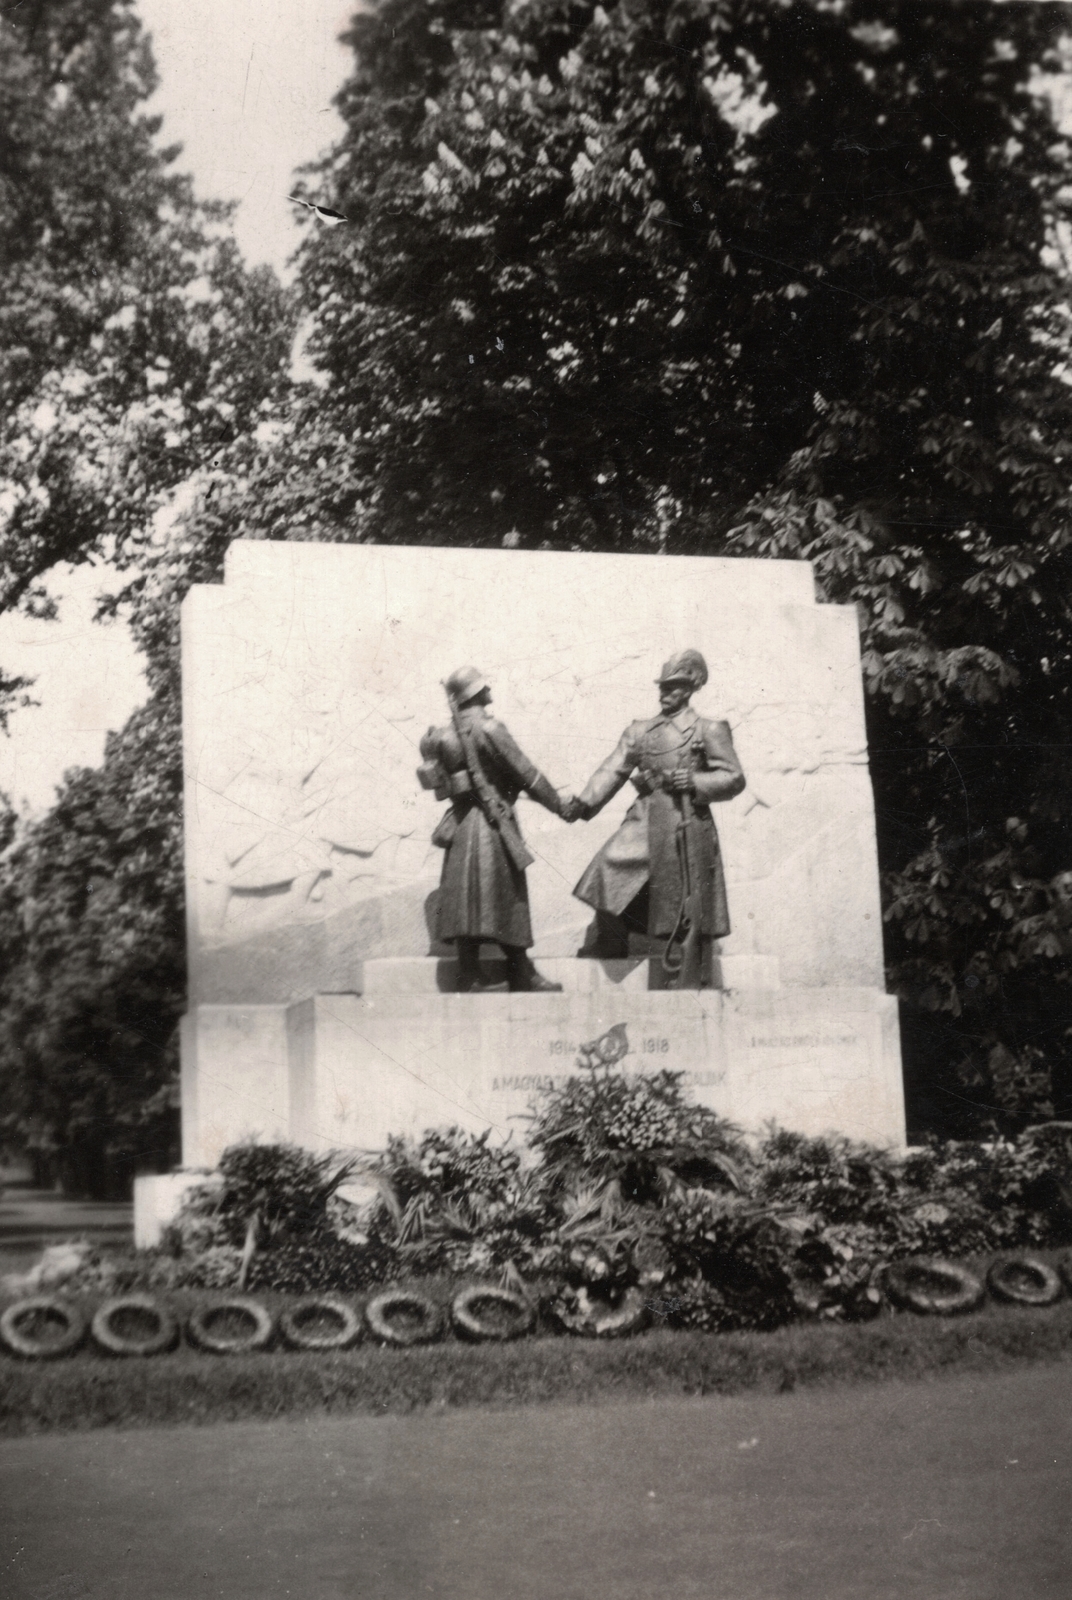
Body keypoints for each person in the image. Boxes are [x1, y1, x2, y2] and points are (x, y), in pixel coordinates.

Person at [563, 649, 745, 987]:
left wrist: (695, 781)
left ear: (690, 689)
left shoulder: (709, 729)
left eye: (673, 687)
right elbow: (612, 769)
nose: (665, 693)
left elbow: (733, 777)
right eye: (662, 686)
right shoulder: (641, 730)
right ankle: (611, 938)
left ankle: (679, 965)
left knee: (679, 895)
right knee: (607, 865)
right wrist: (583, 803)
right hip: (645, 817)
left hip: (683, 822)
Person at [418, 666, 570, 992]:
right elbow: (527, 773)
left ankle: (470, 973)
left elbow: (441, 785)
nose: (490, 691)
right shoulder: (490, 727)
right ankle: (520, 972)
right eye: (484, 686)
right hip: (492, 823)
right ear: (475, 692)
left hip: (462, 824)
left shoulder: (444, 736)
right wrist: (559, 804)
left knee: (465, 900)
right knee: (509, 897)